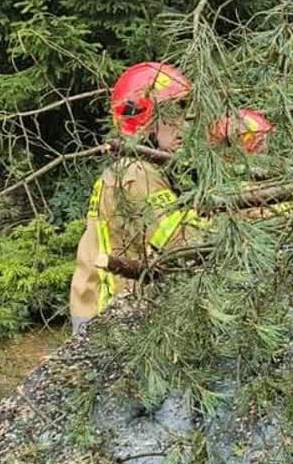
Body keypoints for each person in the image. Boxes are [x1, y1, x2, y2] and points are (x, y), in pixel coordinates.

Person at [69, 62, 234, 334]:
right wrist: (240, 223)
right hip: (111, 317)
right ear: (143, 120)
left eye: (184, 115)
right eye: (171, 117)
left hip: (109, 309)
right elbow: (182, 243)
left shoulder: (136, 169)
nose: (183, 127)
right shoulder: (136, 175)